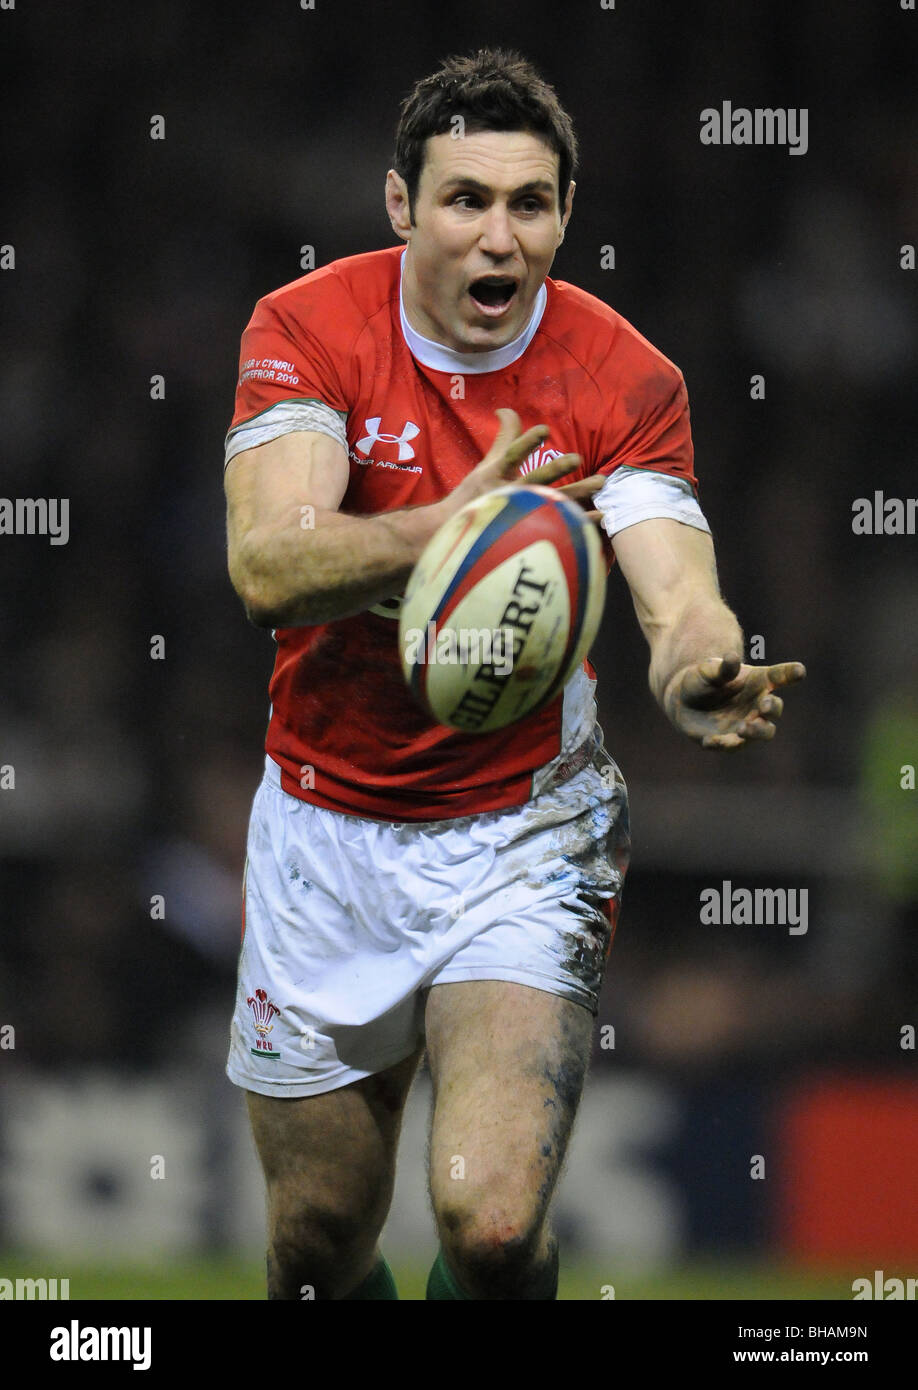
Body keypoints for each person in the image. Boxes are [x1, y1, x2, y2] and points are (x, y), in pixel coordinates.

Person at [222, 48, 805, 1300]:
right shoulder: (308, 326)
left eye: (529, 204)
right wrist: (441, 528)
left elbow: (677, 591)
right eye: (465, 200)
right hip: (326, 827)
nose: (499, 235)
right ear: (400, 206)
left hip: (520, 827)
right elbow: (269, 565)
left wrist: (703, 669)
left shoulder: (622, 378)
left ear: (564, 217)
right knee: (317, 1246)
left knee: (487, 1228)